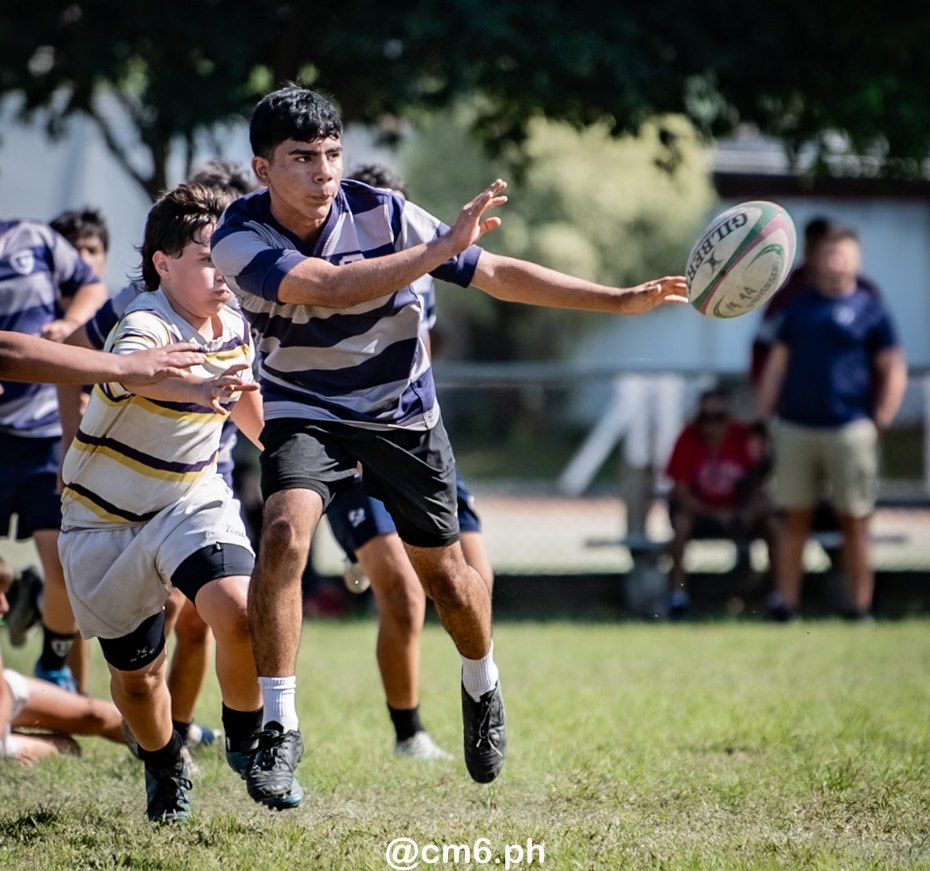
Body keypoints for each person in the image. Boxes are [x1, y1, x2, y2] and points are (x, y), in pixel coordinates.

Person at [210, 84, 688, 805]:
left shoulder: (386, 211)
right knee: (281, 532)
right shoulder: (237, 235)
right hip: (305, 408)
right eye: (302, 157)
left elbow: (492, 272)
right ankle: (280, 728)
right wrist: (435, 250)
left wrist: (616, 299)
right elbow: (327, 288)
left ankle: (482, 682)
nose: (323, 172)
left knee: (454, 585)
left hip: (401, 412)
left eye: (333, 155)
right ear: (261, 169)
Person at [56, 182, 272, 824]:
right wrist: (196, 380)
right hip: (104, 521)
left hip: (190, 497)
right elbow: (141, 367)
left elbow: (251, 412)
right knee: (139, 680)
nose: (223, 274)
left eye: (230, 258)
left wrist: (303, 461)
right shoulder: (143, 322)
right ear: (163, 263)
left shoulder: (233, 322)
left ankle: (248, 737)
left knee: (239, 611)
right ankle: (163, 761)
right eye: (209, 258)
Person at [322, 163, 495, 761]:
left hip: (417, 445)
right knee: (401, 592)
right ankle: (408, 734)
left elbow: (421, 348)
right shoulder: (332, 269)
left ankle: (482, 697)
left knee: (474, 585)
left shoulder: (424, 268)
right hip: (353, 458)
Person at [755, 223, 907, 621]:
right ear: (817, 260)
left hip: (851, 429)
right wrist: (765, 416)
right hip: (796, 427)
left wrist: (881, 419)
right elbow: (776, 367)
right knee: (794, 520)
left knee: (855, 521)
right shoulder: (799, 307)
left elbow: (893, 367)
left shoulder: (870, 308)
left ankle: (860, 608)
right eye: (829, 253)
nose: (836, 260)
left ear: (857, 259)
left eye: (843, 252)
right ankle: (786, 606)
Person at [1, 212, 108, 693]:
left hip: (44, 435)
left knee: (64, 561)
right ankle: (16, 587)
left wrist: (69, 323)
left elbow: (91, 287)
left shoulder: (33, 238)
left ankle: (56, 673)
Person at [663, 388, 777, 619]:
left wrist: (745, 511)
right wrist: (716, 514)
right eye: (705, 418)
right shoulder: (687, 438)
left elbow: (761, 488)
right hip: (701, 511)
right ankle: (678, 596)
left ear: (730, 417)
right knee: (681, 525)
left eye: (718, 418)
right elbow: (682, 494)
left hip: (739, 510)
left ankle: (778, 595)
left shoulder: (745, 438)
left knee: (775, 524)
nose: (711, 425)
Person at [0, 560, 128, 764]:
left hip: (7, 695)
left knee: (98, 715)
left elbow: (2, 694)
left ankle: (172, 747)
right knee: (68, 748)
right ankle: (41, 599)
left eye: (4, 594)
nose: (5, 606)